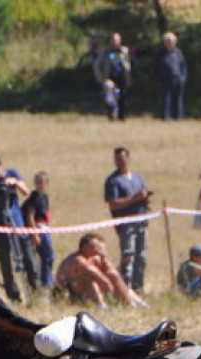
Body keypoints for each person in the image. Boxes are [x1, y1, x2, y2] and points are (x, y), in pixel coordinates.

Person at [0, 153, 38, 302]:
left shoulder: (12, 174)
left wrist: (15, 183)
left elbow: (26, 192)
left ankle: (35, 289)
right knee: (5, 261)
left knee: (28, 257)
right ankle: (13, 294)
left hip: (16, 223)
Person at [54, 232, 146, 307]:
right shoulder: (77, 259)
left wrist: (104, 259)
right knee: (89, 277)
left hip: (86, 289)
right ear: (84, 247)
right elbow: (92, 271)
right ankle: (101, 305)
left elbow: (113, 272)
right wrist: (107, 283)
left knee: (112, 274)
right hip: (69, 291)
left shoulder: (95, 258)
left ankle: (132, 301)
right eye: (94, 246)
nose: (98, 249)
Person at [104, 147, 151, 293]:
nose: (120, 162)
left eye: (123, 159)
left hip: (141, 221)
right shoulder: (113, 181)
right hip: (126, 224)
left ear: (129, 159)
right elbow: (113, 203)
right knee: (128, 256)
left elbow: (144, 195)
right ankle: (126, 288)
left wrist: (145, 199)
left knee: (141, 256)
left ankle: (139, 287)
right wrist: (134, 199)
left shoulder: (138, 177)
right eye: (117, 159)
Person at [21, 171, 56, 289]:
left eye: (43, 183)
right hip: (37, 228)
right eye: (38, 183)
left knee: (49, 256)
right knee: (46, 255)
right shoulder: (33, 198)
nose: (41, 185)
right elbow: (30, 216)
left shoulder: (45, 197)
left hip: (45, 228)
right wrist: (35, 234)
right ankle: (46, 282)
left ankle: (48, 278)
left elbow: (46, 213)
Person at [93, 32, 131, 120]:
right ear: (110, 41)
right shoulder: (105, 52)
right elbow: (97, 65)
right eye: (113, 40)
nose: (115, 42)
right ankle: (111, 115)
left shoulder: (124, 51)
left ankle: (121, 116)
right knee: (110, 98)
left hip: (121, 78)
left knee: (120, 97)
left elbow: (128, 64)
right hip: (110, 79)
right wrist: (100, 78)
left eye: (117, 40)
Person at [154, 32, 187, 121]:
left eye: (172, 41)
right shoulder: (160, 53)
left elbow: (183, 66)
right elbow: (156, 67)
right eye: (168, 41)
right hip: (166, 79)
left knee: (178, 99)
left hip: (178, 78)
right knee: (166, 99)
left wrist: (183, 77)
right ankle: (166, 117)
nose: (170, 43)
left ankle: (178, 117)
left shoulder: (178, 52)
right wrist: (159, 79)